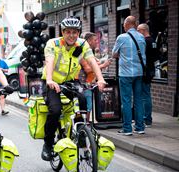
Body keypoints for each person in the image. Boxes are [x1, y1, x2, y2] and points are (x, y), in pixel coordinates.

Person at [41, 17, 106, 161]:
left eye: (75, 32)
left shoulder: (82, 44)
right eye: (68, 32)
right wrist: (50, 80)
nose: (72, 35)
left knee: (82, 100)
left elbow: (92, 61)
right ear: (62, 32)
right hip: (51, 81)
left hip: (69, 81)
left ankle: (81, 136)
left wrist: (100, 78)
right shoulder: (53, 44)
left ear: (79, 33)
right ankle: (48, 143)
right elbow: (50, 61)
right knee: (55, 110)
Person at [112, 16, 146, 136]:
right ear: (135, 25)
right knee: (138, 100)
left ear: (127, 24)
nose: (123, 26)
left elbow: (114, 54)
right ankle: (140, 127)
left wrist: (122, 55)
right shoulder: (141, 37)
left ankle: (127, 129)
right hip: (139, 73)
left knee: (126, 101)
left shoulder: (121, 37)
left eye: (124, 24)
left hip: (125, 74)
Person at [77, 32, 112, 122]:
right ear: (89, 41)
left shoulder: (89, 53)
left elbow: (96, 63)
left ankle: (86, 125)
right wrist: (103, 65)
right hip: (83, 84)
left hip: (89, 84)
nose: (97, 42)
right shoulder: (82, 52)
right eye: (95, 40)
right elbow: (88, 69)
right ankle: (85, 125)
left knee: (88, 106)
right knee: (86, 106)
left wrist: (102, 62)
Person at [137, 23, 159, 128]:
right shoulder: (153, 41)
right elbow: (156, 57)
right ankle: (147, 118)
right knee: (146, 94)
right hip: (151, 70)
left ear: (143, 30)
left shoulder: (144, 41)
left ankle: (147, 119)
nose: (137, 32)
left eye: (138, 30)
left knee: (144, 95)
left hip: (144, 71)